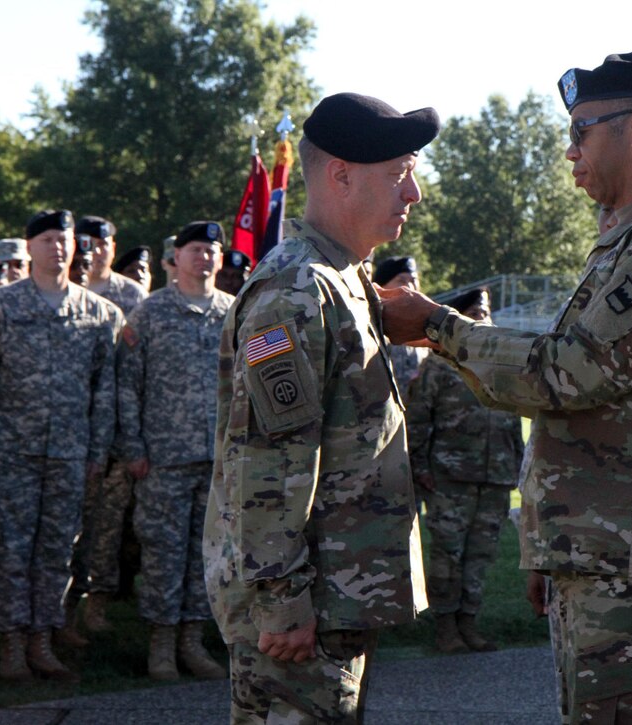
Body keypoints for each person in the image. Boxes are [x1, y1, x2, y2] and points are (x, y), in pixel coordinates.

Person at [380, 53, 632, 724]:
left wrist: (436, 324)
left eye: (583, 130)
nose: (569, 149)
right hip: (614, 555)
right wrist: (550, 539)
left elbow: (567, 372)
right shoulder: (631, 239)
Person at [204, 92, 438, 723]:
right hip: (302, 607)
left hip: (335, 596)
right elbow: (270, 461)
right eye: (399, 174)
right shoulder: (295, 291)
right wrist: (282, 602)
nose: (412, 193)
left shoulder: (344, 279)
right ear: (341, 175)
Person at [0, 209, 121, 681]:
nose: (57, 247)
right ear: (28, 247)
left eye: (64, 239)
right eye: (47, 238)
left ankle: (42, 641)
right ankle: (11, 646)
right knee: (9, 550)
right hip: (9, 451)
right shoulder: (0, 308)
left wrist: (97, 451)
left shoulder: (99, 314)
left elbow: (103, 392)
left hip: (69, 454)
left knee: (56, 550)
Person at [118, 220, 232, 680]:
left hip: (218, 458)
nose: (204, 257)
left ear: (220, 261)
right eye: (195, 250)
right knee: (163, 552)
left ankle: (192, 642)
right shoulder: (150, 313)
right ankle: (161, 647)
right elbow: (127, 385)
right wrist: (132, 445)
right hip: (162, 457)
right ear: (175, 259)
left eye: (211, 251)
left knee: (209, 554)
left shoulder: (234, 313)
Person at [405, 287, 523, 654]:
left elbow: (515, 421)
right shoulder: (437, 366)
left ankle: (469, 622)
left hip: (496, 475)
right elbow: (419, 419)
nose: (482, 318)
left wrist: (518, 465)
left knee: (480, 554)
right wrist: (421, 467)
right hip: (449, 475)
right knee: (447, 553)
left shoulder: (502, 364)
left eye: (485, 311)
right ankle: (445, 627)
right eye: (474, 311)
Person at [73, 215, 148, 633]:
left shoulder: (132, 295)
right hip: (71, 426)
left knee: (106, 523)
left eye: (103, 243)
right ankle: (61, 607)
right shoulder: (70, 286)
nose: (95, 250)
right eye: (88, 242)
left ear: (113, 247)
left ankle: (97, 604)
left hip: (117, 430)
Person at [373, 255, 427, 396]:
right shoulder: (370, 327)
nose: (409, 287)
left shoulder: (428, 332)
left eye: (413, 281)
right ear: (381, 287)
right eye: (401, 280)